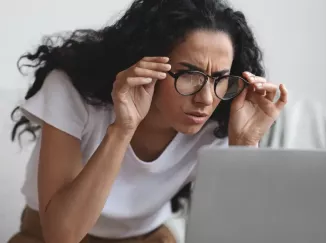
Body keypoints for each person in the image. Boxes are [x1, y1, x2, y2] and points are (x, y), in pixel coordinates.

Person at [8, 0, 288, 242]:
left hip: (149, 238)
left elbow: (237, 234)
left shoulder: (222, 115)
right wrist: (122, 129)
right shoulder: (73, 90)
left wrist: (244, 145)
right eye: (189, 74)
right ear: (147, 64)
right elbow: (61, 236)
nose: (205, 98)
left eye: (219, 78)